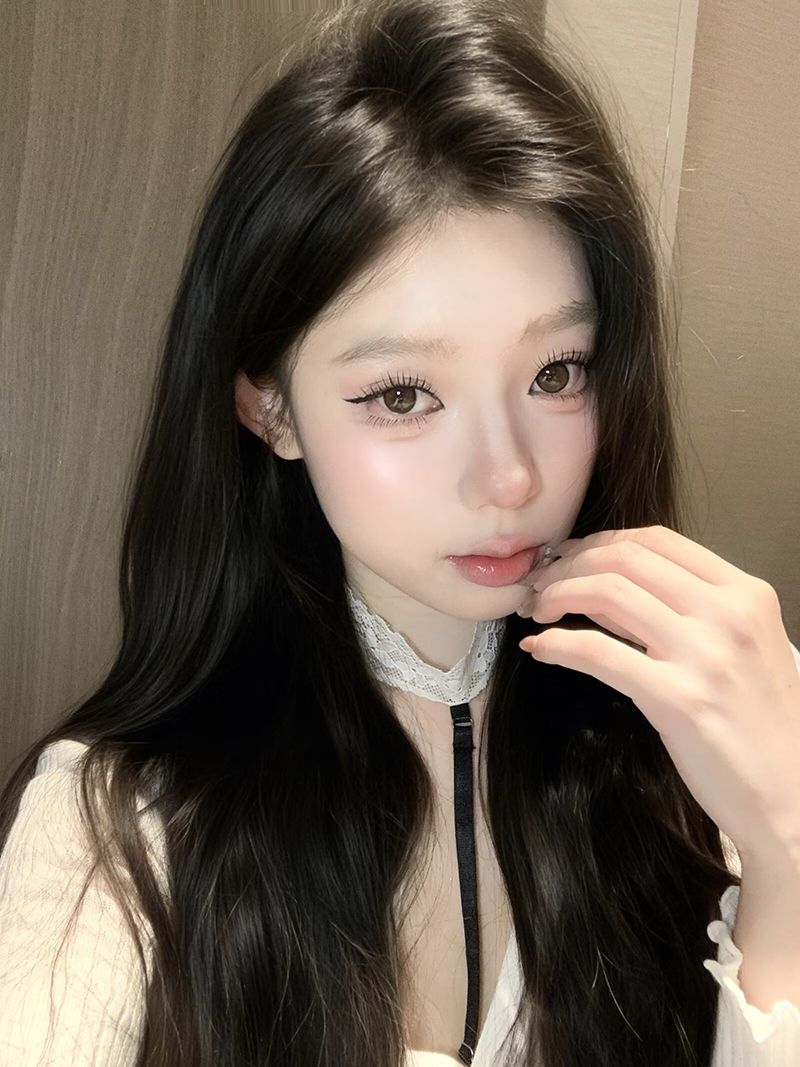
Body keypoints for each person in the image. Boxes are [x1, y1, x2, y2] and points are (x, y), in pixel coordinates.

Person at [1, 0, 799, 1064]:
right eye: (402, 393)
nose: (508, 476)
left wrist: (788, 840)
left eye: (555, 373)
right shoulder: (118, 827)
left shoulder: (702, 762)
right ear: (270, 407)